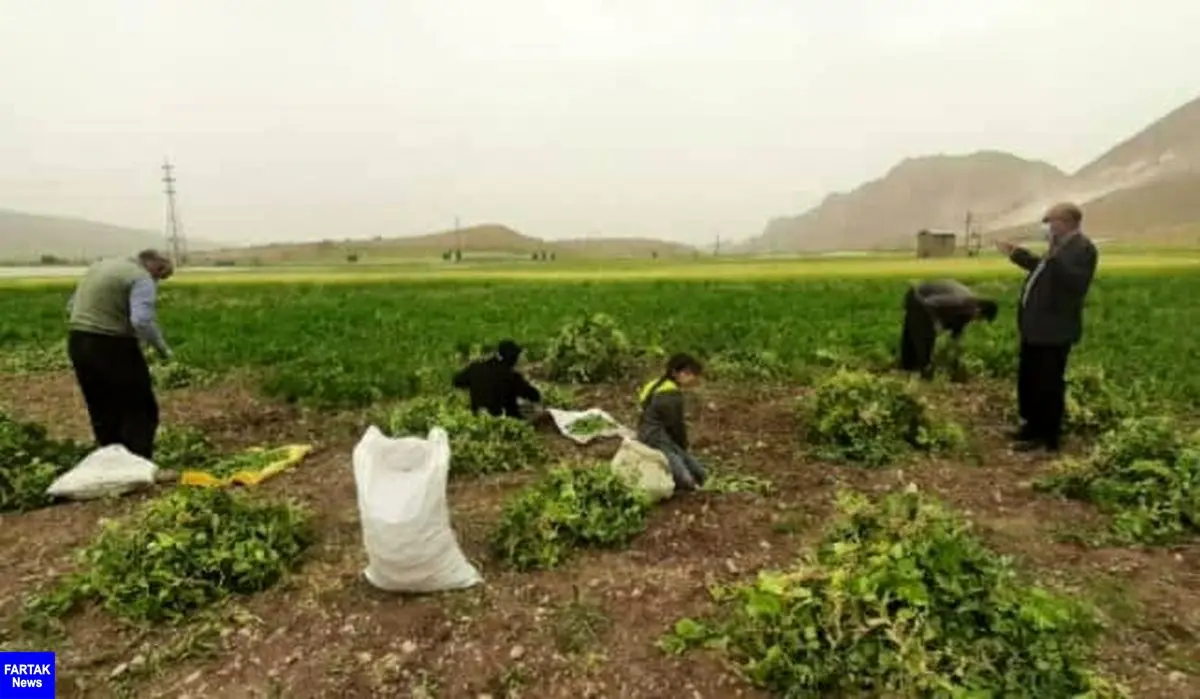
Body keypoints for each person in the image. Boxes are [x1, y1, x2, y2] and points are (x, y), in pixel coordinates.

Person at [996, 202, 1098, 453]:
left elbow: (1074, 283)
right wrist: (1016, 254)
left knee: (1049, 384)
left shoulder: (1083, 249)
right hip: (1035, 329)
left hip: (1054, 331)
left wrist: (1054, 257)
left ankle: (1048, 436)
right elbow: (1041, 269)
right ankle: (1030, 426)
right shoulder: (1059, 249)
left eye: (1051, 222)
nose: (1049, 227)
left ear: (1067, 222)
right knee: (1030, 379)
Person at [66, 250, 174, 460]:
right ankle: (137, 462)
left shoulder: (99, 266)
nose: (157, 283)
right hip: (112, 345)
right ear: (157, 267)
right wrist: (163, 350)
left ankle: (111, 460)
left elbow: (71, 306)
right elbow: (142, 321)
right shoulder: (141, 278)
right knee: (140, 407)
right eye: (161, 277)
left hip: (78, 342)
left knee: (101, 405)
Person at [899, 279, 999, 378]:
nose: (977, 321)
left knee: (915, 332)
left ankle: (908, 366)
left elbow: (957, 329)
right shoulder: (961, 302)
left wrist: (955, 350)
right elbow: (929, 303)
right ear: (979, 310)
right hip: (919, 297)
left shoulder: (968, 308)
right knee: (925, 335)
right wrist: (935, 321)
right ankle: (924, 370)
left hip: (924, 297)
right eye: (981, 319)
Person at [637, 353, 707, 491]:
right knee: (683, 471)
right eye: (687, 373)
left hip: (645, 431)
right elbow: (676, 426)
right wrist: (682, 446)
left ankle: (697, 479)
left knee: (690, 464)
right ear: (675, 373)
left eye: (692, 374)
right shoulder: (671, 395)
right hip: (656, 436)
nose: (691, 378)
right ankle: (690, 486)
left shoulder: (654, 384)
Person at [452, 339, 542, 419]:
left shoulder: (476, 368)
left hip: (478, 418)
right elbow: (534, 395)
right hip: (505, 420)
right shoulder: (512, 377)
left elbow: (457, 381)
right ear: (513, 359)